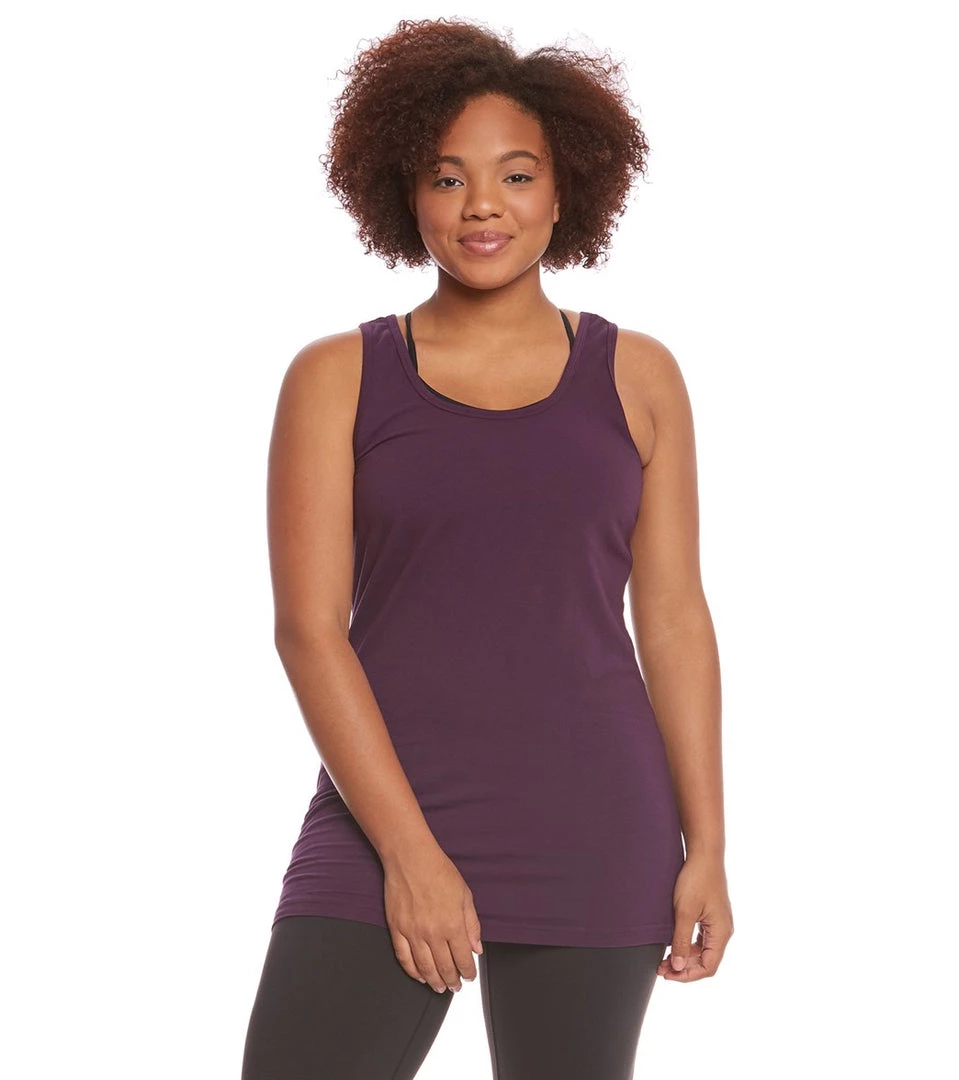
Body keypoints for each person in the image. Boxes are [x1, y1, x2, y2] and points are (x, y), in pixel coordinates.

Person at [241, 17, 733, 1080]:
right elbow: (308, 631)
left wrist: (708, 846)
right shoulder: (335, 377)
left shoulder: (639, 376)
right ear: (403, 193)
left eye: (516, 175)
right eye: (446, 177)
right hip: (379, 815)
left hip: (595, 819)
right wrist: (408, 853)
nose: (481, 206)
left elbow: (673, 617)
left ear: (563, 192)